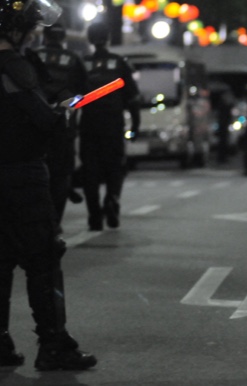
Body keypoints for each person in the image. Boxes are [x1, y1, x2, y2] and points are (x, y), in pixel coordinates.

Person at [0, 0, 96, 370]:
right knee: (43, 258)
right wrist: (62, 114)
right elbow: (43, 119)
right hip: (22, 175)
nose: (34, 34)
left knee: (1, 259)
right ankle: (54, 343)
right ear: (14, 30)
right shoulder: (15, 66)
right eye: (29, 27)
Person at [79, 22, 140, 231]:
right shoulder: (119, 63)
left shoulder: (83, 64)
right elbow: (132, 99)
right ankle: (112, 198)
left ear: (89, 37)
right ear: (109, 37)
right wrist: (135, 127)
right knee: (115, 167)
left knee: (90, 172)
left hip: (89, 126)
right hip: (113, 125)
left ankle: (94, 216)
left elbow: (73, 99)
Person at [34, 22, 87, 231]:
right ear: (63, 38)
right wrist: (68, 107)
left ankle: (40, 219)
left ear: (44, 37)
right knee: (62, 173)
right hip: (64, 125)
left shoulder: (32, 57)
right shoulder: (73, 60)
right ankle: (55, 221)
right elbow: (84, 94)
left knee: (37, 170)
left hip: (36, 123)